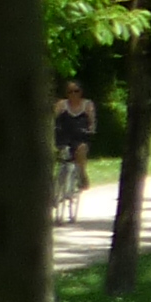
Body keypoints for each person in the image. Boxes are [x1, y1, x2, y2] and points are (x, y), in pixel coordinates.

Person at [52, 76, 97, 213]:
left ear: (81, 92)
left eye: (76, 91)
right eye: (70, 92)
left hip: (80, 136)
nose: (73, 94)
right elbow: (52, 119)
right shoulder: (62, 105)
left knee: (81, 150)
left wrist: (91, 130)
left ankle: (82, 175)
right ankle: (54, 190)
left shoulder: (87, 105)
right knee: (58, 158)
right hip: (63, 136)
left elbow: (92, 122)